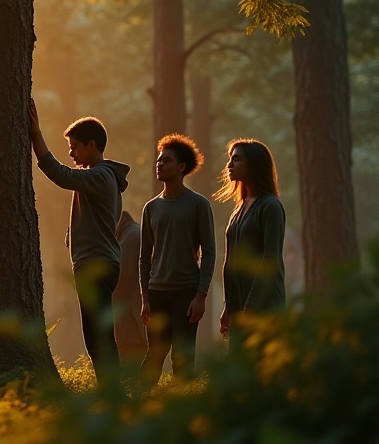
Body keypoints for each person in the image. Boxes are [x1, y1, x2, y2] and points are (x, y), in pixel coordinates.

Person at [29, 99, 130, 374]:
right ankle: (110, 390)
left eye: (74, 147)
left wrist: (36, 134)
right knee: (95, 336)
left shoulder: (101, 176)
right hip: (95, 262)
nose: (71, 153)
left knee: (99, 337)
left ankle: (112, 391)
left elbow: (59, 174)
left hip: (97, 264)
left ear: (91, 145)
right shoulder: (98, 178)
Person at [138, 135, 216, 383]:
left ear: (182, 167)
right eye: (158, 160)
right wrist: (145, 298)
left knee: (182, 358)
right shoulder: (151, 208)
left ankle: (183, 400)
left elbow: (210, 252)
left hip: (186, 293)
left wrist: (200, 295)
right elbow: (144, 257)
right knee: (155, 354)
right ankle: (139, 398)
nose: (159, 164)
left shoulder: (198, 204)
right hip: (157, 292)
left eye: (166, 161)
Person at [215, 139, 286, 345]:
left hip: (263, 306)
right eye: (230, 159)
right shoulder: (239, 209)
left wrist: (252, 305)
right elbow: (231, 261)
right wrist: (228, 307)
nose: (229, 165)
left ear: (254, 164)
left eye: (236, 159)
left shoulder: (270, 206)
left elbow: (270, 260)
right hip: (239, 306)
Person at [113, 210, 148, 363]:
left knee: (131, 362)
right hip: (136, 316)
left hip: (131, 317)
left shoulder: (129, 238)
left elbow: (120, 276)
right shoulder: (134, 233)